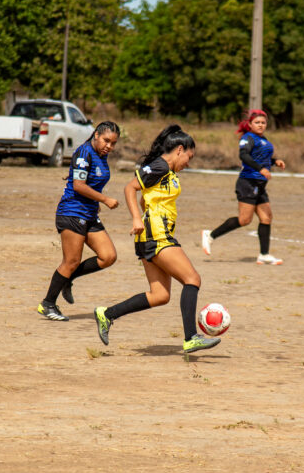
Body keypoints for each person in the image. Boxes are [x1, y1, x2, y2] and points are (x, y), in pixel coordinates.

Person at [93, 125, 221, 354]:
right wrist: (136, 219)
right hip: (156, 235)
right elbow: (130, 188)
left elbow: (145, 197)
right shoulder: (160, 166)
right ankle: (191, 337)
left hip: (153, 235)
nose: (188, 163)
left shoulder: (167, 171)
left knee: (160, 296)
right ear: (180, 149)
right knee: (192, 278)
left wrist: (143, 212)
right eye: (189, 157)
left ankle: (107, 314)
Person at [37, 121, 121, 321]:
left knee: (108, 256)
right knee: (71, 261)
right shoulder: (84, 153)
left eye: (113, 143)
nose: (109, 146)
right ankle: (48, 304)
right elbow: (78, 186)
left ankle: (68, 279)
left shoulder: (102, 155)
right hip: (73, 213)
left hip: (89, 213)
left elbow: (91, 183)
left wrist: (95, 200)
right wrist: (104, 199)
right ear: (96, 135)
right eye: (106, 140)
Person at [201, 109, 287, 264]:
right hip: (248, 183)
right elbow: (244, 156)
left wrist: (275, 162)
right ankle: (211, 235)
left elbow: (262, 157)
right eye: (257, 122)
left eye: (263, 122)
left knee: (266, 218)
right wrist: (261, 169)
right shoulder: (247, 138)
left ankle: (264, 254)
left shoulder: (263, 139)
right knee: (244, 220)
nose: (261, 125)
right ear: (250, 124)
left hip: (260, 185)